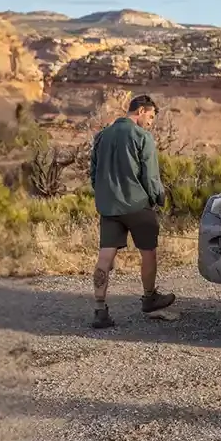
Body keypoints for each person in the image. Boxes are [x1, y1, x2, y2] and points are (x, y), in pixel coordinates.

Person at [89, 94, 175, 328]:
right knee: (148, 253)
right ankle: (149, 298)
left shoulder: (101, 137)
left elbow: (93, 175)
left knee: (105, 256)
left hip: (108, 207)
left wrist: (106, 195)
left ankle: (99, 309)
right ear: (140, 111)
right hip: (137, 205)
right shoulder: (142, 137)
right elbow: (150, 176)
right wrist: (159, 197)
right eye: (150, 116)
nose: (151, 122)